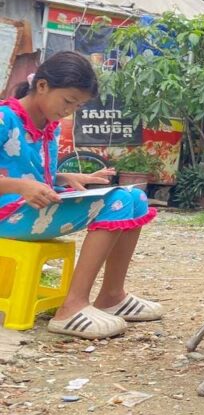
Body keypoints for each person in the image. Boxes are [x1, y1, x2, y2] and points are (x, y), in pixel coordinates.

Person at [0, 52, 161, 340]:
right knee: (118, 202)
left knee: (134, 198)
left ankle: (113, 295)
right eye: (68, 101)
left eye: (78, 105)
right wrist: (22, 187)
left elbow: (30, 173)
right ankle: (71, 307)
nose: (70, 111)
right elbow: (21, 182)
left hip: (30, 207)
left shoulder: (47, 126)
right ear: (42, 86)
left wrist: (65, 178)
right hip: (8, 214)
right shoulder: (4, 118)